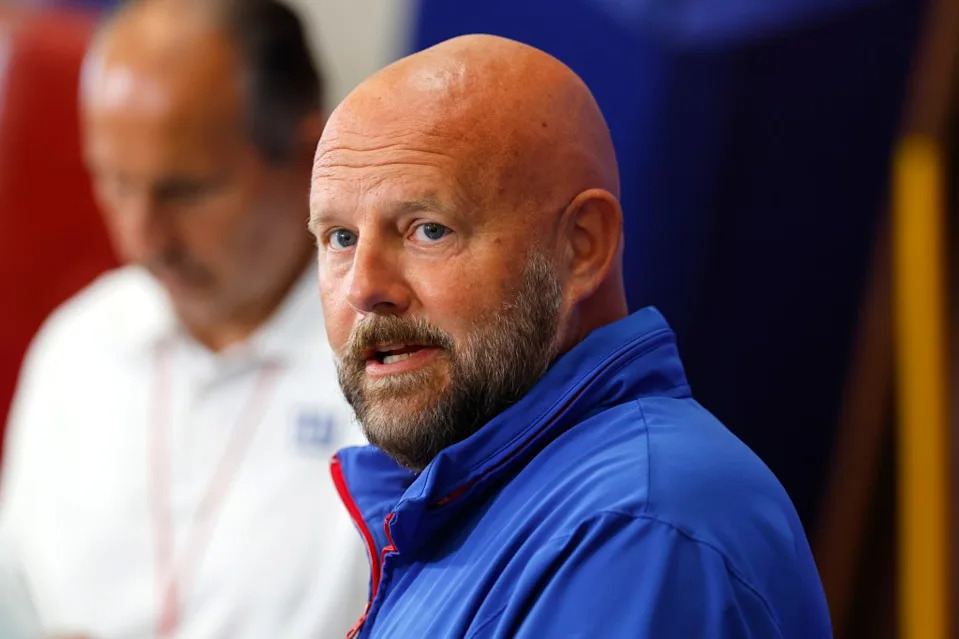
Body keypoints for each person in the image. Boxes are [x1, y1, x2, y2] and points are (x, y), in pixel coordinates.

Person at [310, 34, 832, 638]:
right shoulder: (494, 504)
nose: (364, 288)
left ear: (582, 247)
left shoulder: (637, 528)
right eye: (340, 238)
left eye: (429, 229)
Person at [0, 0, 367, 637]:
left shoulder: (391, 370)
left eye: (184, 191)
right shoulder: (77, 348)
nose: (143, 239)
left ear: (312, 155)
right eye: (113, 182)